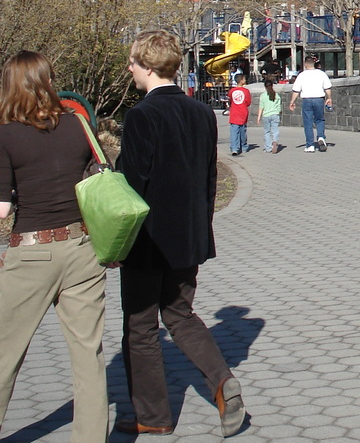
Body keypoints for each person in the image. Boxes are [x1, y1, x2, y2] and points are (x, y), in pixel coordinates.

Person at [117, 30, 245, 437]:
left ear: (148, 66)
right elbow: (208, 178)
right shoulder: (201, 113)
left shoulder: (141, 115)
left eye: (133, 63)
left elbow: (131, 183)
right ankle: (223, 381)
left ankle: (152, 415)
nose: (130, 70)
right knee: (181, 315)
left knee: (140, 326)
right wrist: (200, 229)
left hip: (147, 237)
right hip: (189, 234)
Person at [0, 52, 109, 443]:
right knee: (88, 354)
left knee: (5, 354)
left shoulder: (6, 134)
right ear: (48, 80)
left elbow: (3, 209)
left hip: (32, 252)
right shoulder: (77, 125)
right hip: (82, 247)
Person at [289, 54, 332, 153]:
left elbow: (296, 90)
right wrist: (329, 98)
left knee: (308, 123)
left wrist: (292, 101)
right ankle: (321, 136)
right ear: (314, 63)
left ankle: (310, 145)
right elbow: (327, 88)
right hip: (319, 99)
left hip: (307, 100)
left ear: (305, 64)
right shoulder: (321, 74)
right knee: (319, 120)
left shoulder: (302, 75)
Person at [227, 73, 250, 156]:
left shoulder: (232, 91)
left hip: (234, 112)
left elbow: (230, 100)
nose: (245, 80)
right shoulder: (246, 91)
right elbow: (248, 102)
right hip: (243, 112)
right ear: (241, 81)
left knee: (234, 131)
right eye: (244, 79)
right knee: (242, 131)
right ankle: (243, 146)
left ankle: (234, 148)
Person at [257, 79, 282, 154]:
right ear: (272, 86)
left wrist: (258, 118)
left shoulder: (263, 96)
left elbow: (261, 107)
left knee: (267, 132)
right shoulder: (276, 95)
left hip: (266, 115)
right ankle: (275, 141)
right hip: (275, 114)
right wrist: (277, 113)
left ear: (265, 87)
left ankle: (268, 148)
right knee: (275, 130)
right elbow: (279, 107)